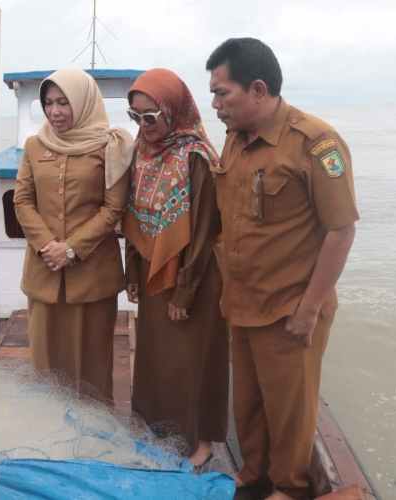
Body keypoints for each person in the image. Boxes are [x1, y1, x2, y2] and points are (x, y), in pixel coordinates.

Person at [206, 38, 359, 500]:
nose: (214, 104)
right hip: (243, 302)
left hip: (289, 309)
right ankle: (253, 476)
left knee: (290, 410)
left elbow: (341, 231)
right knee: (249, 405)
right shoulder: (234, 141)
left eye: (221, 93)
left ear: (257, 89)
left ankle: (289, 488)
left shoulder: (315, 144)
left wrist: (310, 308)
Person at [121, 68, 228, 470]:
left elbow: (203, 231)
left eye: (151, 117)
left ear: (174, 111)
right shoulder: (141, 151)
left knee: (192, 359)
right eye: (136, 117)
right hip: (152, 273)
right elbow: (131, 215)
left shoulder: (196, 156)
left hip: (191, 275)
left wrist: (185, 292)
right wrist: (132, 272)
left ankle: (200, 441)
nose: (143, 126)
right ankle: (160, 428)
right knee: (155, 355)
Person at [13, 68, 133, 402]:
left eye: (63, 102)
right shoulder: (35, 146)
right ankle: (51, 434)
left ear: (83, 103)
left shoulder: (111, 146)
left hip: (92, 274)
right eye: (49, 103)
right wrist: (47, 246)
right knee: (46, 364)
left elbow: (113, 209)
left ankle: (94, 439)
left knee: (92, 366)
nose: (55, 111)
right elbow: (22, 200)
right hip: (44, 271)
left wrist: (71, 249)